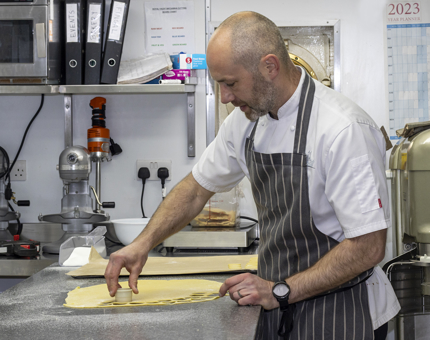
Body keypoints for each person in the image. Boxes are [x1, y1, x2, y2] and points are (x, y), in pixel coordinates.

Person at [105, 11, 400, 340]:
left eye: (231, 83)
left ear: (270, 66)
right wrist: (142, 244)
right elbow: (196, 189)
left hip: (344, 310)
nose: (225, 98)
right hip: (277, 304)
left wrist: (280, 291)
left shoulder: (342, 130)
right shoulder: (245, 122)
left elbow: (367, 246)